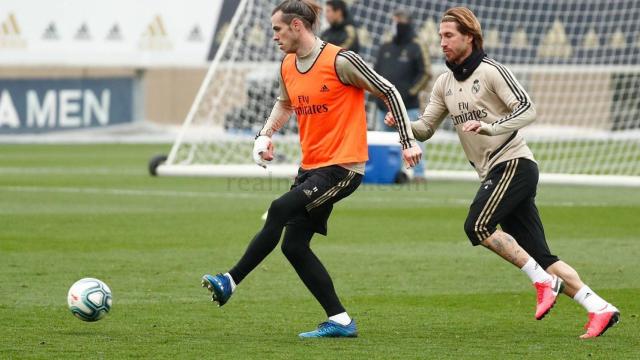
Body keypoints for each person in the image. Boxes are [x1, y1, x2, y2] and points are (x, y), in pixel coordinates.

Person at [385, 7, 619, 339]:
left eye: (449, 35)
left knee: (477, 225)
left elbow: (528, 108)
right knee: (542, 256)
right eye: (440, 36)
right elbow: (425, 129)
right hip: (494, 173)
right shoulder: (444, 82)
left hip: (514, 164)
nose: (442, 42)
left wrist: (492, 127)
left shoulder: (492, 71)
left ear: (469, 36)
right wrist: (404, 124)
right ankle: (598, 307)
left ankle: (542, 281)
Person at [202, 0, 422, 339]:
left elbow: (389, 90)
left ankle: (230, 280)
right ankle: (341, 320)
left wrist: (406, 139)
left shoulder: (340, 60)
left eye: (277, 29)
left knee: (278, 208)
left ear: (296, 27)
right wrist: (264, 134)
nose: (273, 36)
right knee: (294, 246)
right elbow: (285, 103)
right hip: (312, 168)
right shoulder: (288, 64)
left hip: (343, 168)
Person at [374, 8, 431, 181]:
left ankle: (418, 174)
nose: (394, 24)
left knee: (413, 138)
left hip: (408, 105)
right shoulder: (385, 47)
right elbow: (375, 73)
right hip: (383, 105)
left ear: (406, 23)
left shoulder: (416, 46)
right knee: (386, 143)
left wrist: (409, 93)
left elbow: (426, 73)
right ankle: (393, 174)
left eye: (397, 21)